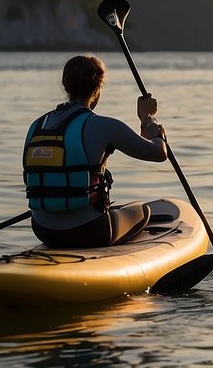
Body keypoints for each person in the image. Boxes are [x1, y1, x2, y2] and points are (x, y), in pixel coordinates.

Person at [22, 54, 168, 248]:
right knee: (143, 210)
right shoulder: (104, 126)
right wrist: (148, 119)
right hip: (90, 231)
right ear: (98, 89)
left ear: (65, 86)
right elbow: (159, 153)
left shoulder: (37, 125)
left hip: (42, 230)